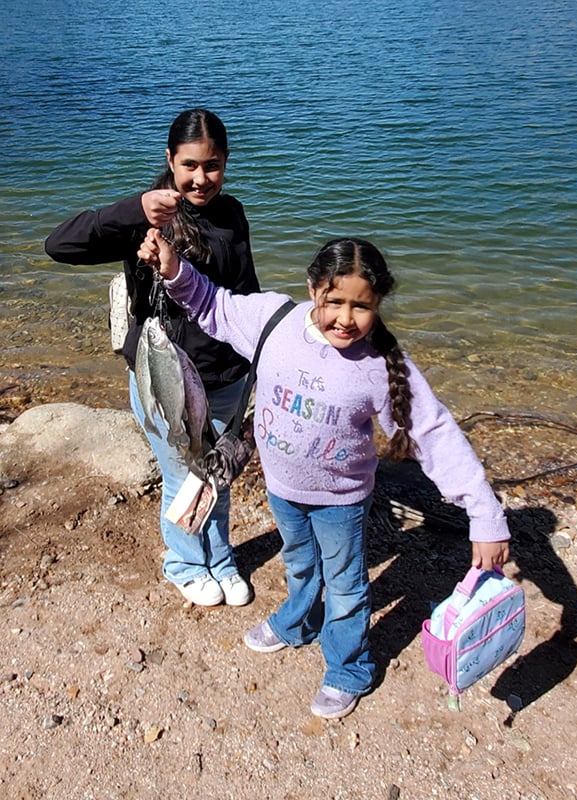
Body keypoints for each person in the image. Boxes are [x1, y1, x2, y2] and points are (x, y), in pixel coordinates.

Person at [138, 231, 511, 719]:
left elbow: (434, 433)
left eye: (362, 306)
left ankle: (349, 668)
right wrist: (172, 269)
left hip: (342, 501)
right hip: (282, 489)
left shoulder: (379, 363)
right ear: (313, 288)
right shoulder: (274, 320)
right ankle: (299, 620)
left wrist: (484, 515)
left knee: (346, 586)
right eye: (334, 301)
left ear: (378, 303)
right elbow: (213, 304)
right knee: (299, 562)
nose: (345, 318)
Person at [45, 108, 260, 608]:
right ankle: (185, 563)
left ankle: (220, 558)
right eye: (189, 165)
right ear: (170, 160)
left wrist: (261, 356)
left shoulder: (232, 214)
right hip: (165, 377)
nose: (201, 178)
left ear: (226, 163)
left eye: (212, 166)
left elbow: (245, 293)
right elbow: (59, 244)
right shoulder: (146, 217)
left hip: (226, 376)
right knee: (183, 472)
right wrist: (136, 209)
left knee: (217, 473)